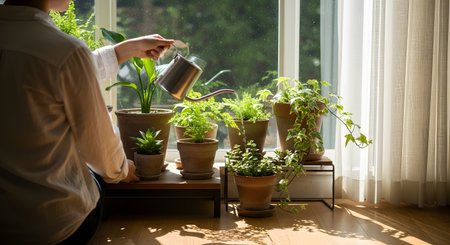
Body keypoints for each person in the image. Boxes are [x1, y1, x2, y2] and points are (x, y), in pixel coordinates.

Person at [0, 0, 174, 244]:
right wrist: (122, 169)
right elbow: (102, 153)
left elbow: (47, 69)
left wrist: (123, 50)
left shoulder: (51, 49)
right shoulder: (64, 51)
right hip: (53, 227)